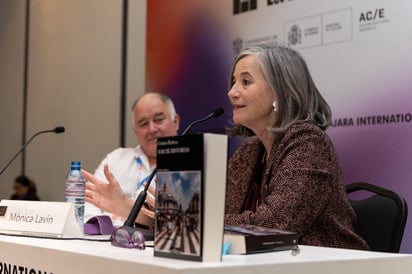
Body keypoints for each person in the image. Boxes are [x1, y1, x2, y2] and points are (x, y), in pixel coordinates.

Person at [224, 43, 369, 250]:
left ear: (280, 90)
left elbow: (278, 224)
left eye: (245, 82)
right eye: (233, 82)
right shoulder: (247, 154)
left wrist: (205, 222)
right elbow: (217, 212)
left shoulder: (308, 142)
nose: (232, 92)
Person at [82, 92, 180, 228]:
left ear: (176, 121)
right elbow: (90, 204)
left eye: (158, 120)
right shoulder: (116, 158)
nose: (152, 129)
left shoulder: (194, 164)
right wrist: (108, 228)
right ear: (135, 130)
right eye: (144, 123)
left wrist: (124, 207)